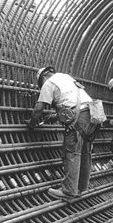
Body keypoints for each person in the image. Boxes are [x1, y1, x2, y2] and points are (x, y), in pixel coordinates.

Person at [28, 66, 98, 202]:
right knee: (84, 153)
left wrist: (32, 123)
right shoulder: (66, 77)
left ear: (43, 77)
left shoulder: (48, 83)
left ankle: (68, 191)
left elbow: (39, 108)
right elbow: (73, 100)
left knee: (71, 154)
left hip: (78, 119)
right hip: (93, 114)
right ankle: (80, 188)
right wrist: (56, 116)